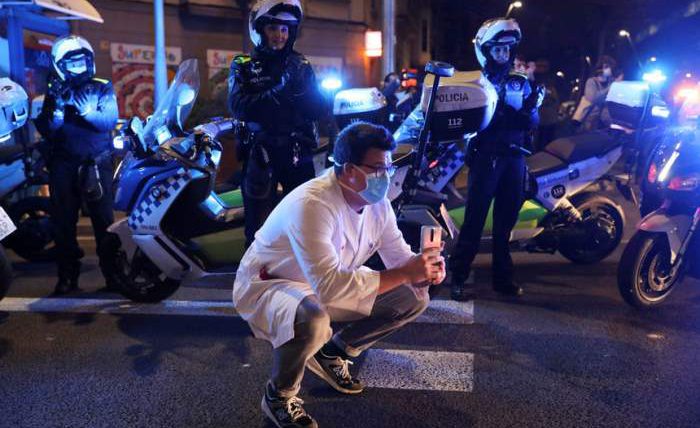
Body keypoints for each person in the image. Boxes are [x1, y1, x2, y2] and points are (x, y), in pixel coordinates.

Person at [232, 122, 445, 428]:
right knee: (313, 320)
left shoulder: (377, 204)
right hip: (271, 283)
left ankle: (333, 352)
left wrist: (423, 269)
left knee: (414, 297)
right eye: (377, 169)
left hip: (325, 280)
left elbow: (399, 258)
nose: (385, 177)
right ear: (348, 170)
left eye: (388, 167)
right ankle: (278, 396)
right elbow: (331, 288)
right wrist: (405, 272)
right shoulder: (313, 205)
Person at [449, 18, 543, 301]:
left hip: (514, 159)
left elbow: (532, 124)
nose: (503, 54)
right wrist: (501, 113)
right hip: (487, 157)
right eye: (497, 49)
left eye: (507, 49)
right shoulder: (478, 83)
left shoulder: (520, 82)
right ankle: (458, 277)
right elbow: (471, 122)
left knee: (505, 225)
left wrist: (530, 109)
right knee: (474, 220)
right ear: (486, 51)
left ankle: (503, 280)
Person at [228, 0, 325, 247]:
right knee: (258, 230)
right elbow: (239, 106)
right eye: (273, 28)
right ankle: (255, 271)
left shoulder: (300, 64)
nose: (280, 35)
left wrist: (304, 90)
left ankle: (300, 270)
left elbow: (317, 110)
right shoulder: (243, 65)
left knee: (305, 224)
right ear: (261, 29)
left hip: (297, 153)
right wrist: (281, 89)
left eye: (285, 29)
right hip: (260, 153)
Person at [35, 35, 120, 296]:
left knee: (105, 223)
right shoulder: (54, 90)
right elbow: (48, 128)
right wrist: (58, 110)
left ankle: (115, 276)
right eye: (72, 64)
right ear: (60, 65)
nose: (78, 67)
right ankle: (67, 277)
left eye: (82, 62)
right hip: (63, 164)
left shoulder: (102, 86)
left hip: (97, 162)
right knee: (63, 223)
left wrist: (87, 113)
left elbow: (109, 121)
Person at [572, 55, 619, 132]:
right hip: (585, 121)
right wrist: (609, 88)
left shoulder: (608, 84)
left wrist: (610, 123)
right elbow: (592, 98)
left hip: (595, 123)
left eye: (610, 67)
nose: (610, 69)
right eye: (607, 67)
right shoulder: (591, 81)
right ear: (601, 68)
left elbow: (604, 107)